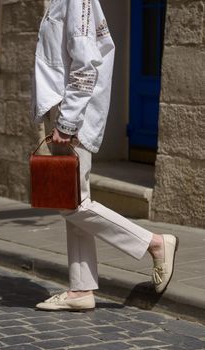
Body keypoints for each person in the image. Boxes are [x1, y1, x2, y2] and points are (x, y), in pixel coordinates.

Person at [32, 0, 179, 311]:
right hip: (63, 110)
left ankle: (153, 242)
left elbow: (86, 65)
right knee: (72, 198)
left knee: (71, 203)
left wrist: (67, 121)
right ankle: (81, 289)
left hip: (72, 114)